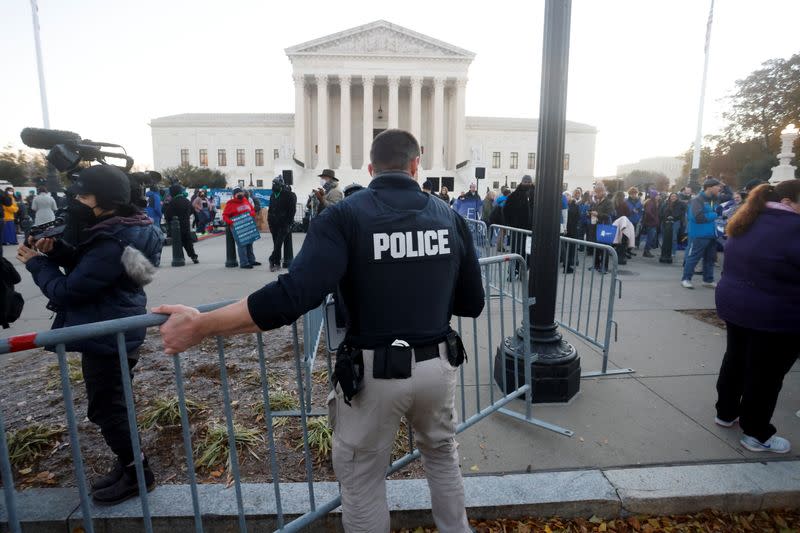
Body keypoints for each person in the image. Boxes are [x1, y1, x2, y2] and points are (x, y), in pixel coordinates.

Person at [155, 129, 484, 533]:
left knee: (363, 477)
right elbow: (472, 303)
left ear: (370, 168)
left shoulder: (346, 215)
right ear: (417, 164)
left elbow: (294, 295)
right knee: (441, 456)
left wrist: (204, 324)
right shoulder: (448, 216)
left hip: (375, 371)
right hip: (437, 363)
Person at [16, 164, 162, 505]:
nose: (78, 200)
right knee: (114, 404)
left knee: (106, 409)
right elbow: (105, 271)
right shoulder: (132, 227)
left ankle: (139, 474)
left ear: (105, 198)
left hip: (108, 332)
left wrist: (37, 263)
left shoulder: (112, 238)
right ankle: (128, 466)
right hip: (117, 324)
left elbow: (69, 290)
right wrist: (59, 252)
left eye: (84, 194)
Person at [714, 180, 800, 454]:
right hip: (775, 314)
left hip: (737, 306)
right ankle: (756, 432)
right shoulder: (792, 228)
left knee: (736, 360)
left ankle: (726, 413)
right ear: (788, 202)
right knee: (766, 376)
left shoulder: (748, 218)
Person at [681, 178, 722, 289]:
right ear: (709, 187)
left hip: (711, 235)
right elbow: (697, 218)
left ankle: (708, 280)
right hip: (698, 235)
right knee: (693, 257)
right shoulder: (697, 200)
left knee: (710, 259)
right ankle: (686, 279)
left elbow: (711, 215)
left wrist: (716, 215)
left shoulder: (715, 199)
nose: (719, 188)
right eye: (717, 186)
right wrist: (714, 215)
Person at [503, 175, 535, 273]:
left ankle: (523, 270)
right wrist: (510, 223)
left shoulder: (536, 194)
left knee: (527, 251)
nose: (526, 184)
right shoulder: (514, 195)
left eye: (528, 182)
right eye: (525, 182)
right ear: (522, 182)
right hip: (517, 229)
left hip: (530, 230)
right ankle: (514, 270)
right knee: (516, 250)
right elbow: (506, 210)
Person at [223, 187, 258, 269]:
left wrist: (252, 214)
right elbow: (225, 215)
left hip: (248, 224)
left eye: (241, 193)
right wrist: (231, 222)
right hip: (237, 226)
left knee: (249, 243)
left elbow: (252, 209)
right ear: (235, 195)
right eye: (239, 194)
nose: (241, 195)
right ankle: (244, 263)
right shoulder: (230, 203)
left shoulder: (245, 201)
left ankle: (251, 260)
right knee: (242, 244)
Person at [266, 177, 297, 272]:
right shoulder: (272, 195)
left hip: (284, 224)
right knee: (276, 244)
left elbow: (292, 210)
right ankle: (276, 263)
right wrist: (269, 221)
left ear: (280, 185)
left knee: (278, 243)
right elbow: (270, 209)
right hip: (273, 224)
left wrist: (289, 223)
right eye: (273, 183)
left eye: (275, 184)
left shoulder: (289, 195)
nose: (273, 185)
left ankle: (271, 259)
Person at [163, 184, 199, 264]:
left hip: (176, 227)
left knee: (178, 243)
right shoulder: (186, 201)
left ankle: (180, 258)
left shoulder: (172, 202)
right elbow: (193, 211)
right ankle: (193, 256)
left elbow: (167, 215)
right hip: (186, 225)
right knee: (188, 242)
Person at [588, 182, 614, 271]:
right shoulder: (595, 202)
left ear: (603, 192)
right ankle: (596, 265)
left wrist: (598, 214)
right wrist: (589, 213)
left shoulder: (608, 202)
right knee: (596, 246)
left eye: (598, 192)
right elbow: (592, 211)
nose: (596, 194)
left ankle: (604, 267)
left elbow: (609, 215)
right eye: (595, 192)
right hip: (595, 226)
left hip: (604, 227)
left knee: (604, 248)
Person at [659, 192, 686, 258]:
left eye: (675, 196)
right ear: (670, 197)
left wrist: (673, 217)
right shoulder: (665, 203)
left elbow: (681, 213)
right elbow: (661, 212)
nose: (673, 197)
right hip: (665, 221)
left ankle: (673, 252)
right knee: (664, 237)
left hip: (675, 222)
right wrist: (665, 218)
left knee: (673, 237)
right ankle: (664, 251)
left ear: (677, 197)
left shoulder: (681, 204)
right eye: (672, 196)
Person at [641, 190, 660, 258]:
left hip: (651, 223)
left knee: (650, 237)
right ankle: (646, 251)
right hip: (651, 223)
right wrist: (654, 218)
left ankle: (647, 251)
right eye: (657, 195)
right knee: (650, 238)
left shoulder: (652, 202)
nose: (658, 196)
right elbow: (648, 212)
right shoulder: (650, 202)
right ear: (654, 196)